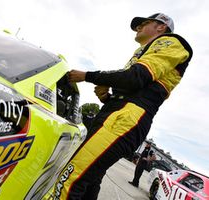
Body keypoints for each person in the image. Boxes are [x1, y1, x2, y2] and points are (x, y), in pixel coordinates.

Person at [52, 13, 193, 200]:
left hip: (127, 117)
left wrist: (87, 75)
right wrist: (107, 97)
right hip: (119, 113)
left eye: (144, 23)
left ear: (161, 27)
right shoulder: (143, 51)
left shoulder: (170, 42)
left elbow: (135, 77)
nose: (138, 28)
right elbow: (132, 84)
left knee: (69, 179)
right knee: (90, 180)